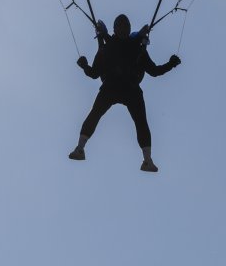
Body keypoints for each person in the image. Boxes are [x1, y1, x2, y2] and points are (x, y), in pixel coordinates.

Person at [70, 13, 181, 172]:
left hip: (130, 89)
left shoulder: (136, 48)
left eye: (125, 26)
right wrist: (85, 66)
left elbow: (154, 71)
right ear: (115, 29)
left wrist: (171, 64)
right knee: (95, 113)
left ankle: (147, 160)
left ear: (129, 30)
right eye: (120, 26)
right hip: (111, 87)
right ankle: (80, 148)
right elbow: (94, 73)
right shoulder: (108, 47)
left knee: (141, 122)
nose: (123, 29)